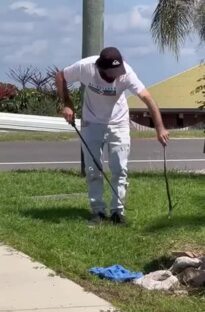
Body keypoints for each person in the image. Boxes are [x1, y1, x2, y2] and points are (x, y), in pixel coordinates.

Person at [55, 47, 169, 225]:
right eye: (111, 72)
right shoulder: (86, 67)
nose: (116, 76)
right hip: (91, 123)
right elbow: (60, 76)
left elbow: (148, 98)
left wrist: (160, 128)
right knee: (93, 170)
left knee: (119, 170)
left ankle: (117, 212)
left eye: (118, 71)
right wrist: (67, 103)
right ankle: (98, 212)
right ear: (100, 68)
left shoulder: (126, 73)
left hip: (119, 124)